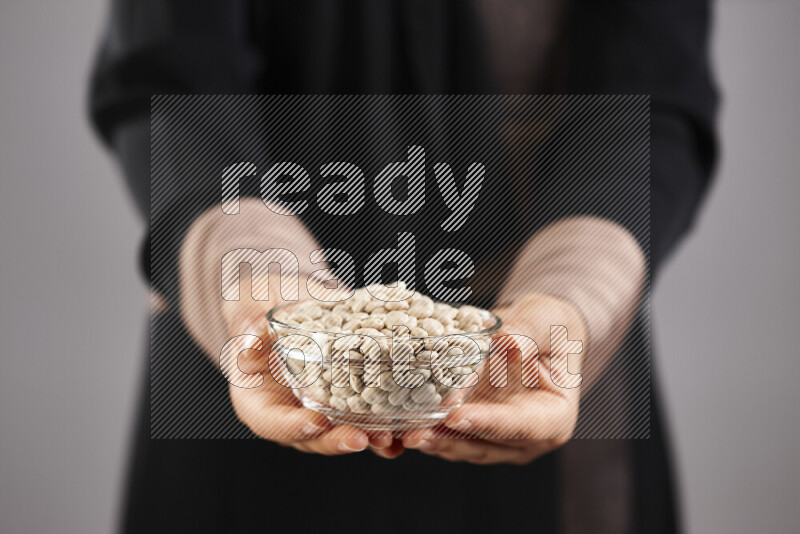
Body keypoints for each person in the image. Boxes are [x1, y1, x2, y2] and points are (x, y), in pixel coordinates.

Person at [89, 1, 717, 532]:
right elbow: (170, 69)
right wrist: (255, 280)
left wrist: (573, 289)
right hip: (252, 363)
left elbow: (651, 94)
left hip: (544, 366)